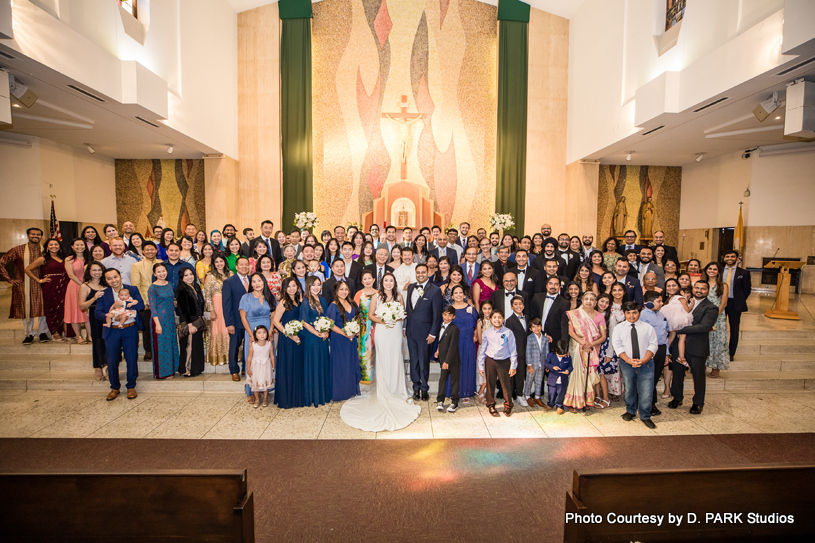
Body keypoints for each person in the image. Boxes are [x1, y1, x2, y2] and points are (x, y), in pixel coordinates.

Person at [340, 272, 422, 432]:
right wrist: (385, 319)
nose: (389, 283)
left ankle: (398, 389)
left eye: (391, 280)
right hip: (383, 332)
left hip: (396, 332)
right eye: (386, 281)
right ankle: (385, 390)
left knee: (396, 359)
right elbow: (371, 315)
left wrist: (395, 317)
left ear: (394, 282)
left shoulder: (399, 296)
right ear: (382, 283)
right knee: (384, 359)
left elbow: (402, 315)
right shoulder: (377, 297)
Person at [668, 281, 718, 414]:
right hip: (678, 345)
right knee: (677, 374)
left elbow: (704, 327)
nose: (699, 290)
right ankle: (677, 398)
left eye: (703, 289)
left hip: (697, 346)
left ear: (708, 291)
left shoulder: (711, 307)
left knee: (698, 376)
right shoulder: (682, 301)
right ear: (693, 288)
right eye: (697, 288)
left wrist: (681, 329)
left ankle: (698, 402)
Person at [96, 268, 144, 400]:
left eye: (115, 277)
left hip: (130, 328)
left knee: (131, 358)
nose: (113, 280)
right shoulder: (103, 294)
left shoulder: (132, 289)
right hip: (112, 331)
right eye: (109, 278)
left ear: (120, 276)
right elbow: (98, 313)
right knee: (112, 360)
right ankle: (114, 387)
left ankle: (131, 386)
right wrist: (112, 317)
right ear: (106, 280)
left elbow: (140, 305)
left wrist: (125, 304)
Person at [611, 302, 659, 429]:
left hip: (646, 363)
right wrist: (628, 360)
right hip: (627, 363)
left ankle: (645, 415)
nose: (631, 316)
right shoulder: (619, 328)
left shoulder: (648, 328)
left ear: (639, 312)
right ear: (624, 313)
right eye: (628, 313)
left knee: (646, 390)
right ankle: (630, 411)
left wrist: (643, 360)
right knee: (630, 388)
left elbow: (653, 345)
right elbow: (617, 345)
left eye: (634, 312)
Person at [0, 227, 48, 344]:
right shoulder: (18, 250)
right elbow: (2, 262)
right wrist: (9, 279)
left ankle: (43, 333)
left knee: (44, 308)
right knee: (26, 309)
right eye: (33, 234)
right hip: (24, 285)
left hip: (43, 283)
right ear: (28, 235)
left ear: (41, 237)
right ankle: (29, 334)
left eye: (38, 235)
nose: (35, 236)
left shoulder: (46, 251)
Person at [563, 291, 606, 412]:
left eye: (592, 299)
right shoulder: (575, 314)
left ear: (595, 302)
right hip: (577, 347)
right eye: (586, 299)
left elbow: (603, 336)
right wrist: (583, 343)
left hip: (591, 348)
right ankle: (573, 402)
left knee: (588, 374)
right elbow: (571, 332)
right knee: (576, 374)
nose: (589, 301)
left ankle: (585, 401)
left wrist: (590, 344)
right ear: (582, 301)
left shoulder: (599, 316)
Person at [405, 264, 443, 400]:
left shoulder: (435, 290)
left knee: (424, 361)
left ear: (428, 273)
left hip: (426, 333)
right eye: (418, 272)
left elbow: (437, 314)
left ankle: (424, 387)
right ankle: (416, 387)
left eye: (423, 272)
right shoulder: (410, 287)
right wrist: (405, 327)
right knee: (413, 360)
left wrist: (433, 333)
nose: (420, 274)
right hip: (410, 331)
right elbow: (408, 309)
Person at [240, 273, 276, 404]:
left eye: (259, 280)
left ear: (264, 282)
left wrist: (271, 330)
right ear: (251, 284)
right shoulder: (246, 297)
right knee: (253, 361)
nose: (257, 283)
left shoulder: (270, 297)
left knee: (266, 360)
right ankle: (250, 390)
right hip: (252, 331)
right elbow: (243, 317)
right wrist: (250, 334)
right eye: (254, 281)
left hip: (267, 333)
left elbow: (273, 316)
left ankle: (265, 388)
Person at [26, 238, 69, 341]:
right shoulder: (43, 259)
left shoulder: (64, 258)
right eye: (51, 244)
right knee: (52, 309)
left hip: (64, 286)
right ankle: (55, 333)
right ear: (47, 247)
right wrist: (39, 280)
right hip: (50, 287)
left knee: (63, 309)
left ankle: (63, 331)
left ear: (59, 246)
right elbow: (27, 269)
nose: (54, 246)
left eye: (56, 244)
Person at [272, 277, 306, 408]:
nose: (292, 288)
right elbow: (276, 321)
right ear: (285, 289)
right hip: (287, 339)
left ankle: (297, 397)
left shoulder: (298, 300)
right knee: (289, 365)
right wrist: (288, 333)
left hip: (299, 337)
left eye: (294, 285)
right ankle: (287, 398)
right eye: (289, 286)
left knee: (297, 365)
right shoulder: (284, 302)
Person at [478, 310, 518, 417]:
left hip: (504, 361)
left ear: (503, 319)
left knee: (506, 384)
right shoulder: (487, 332)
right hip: (490, 360)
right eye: (494, 317)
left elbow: (513, 350)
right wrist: (480, 365)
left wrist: (513, 365)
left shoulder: (508, 332)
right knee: (490, 384)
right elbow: (483, 349)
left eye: (499, 317)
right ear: (491, 319)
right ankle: (491, 404)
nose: (497, 320)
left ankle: (508, 405)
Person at [327, 281, 361, 402]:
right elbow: (330, 324)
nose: (344, 292)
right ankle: (340, 392)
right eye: (341, 289)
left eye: (346, 289)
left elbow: (357, 318)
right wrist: (344, 333)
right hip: (339, 339)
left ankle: (350, 390)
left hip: (351, 339)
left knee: (350, 363)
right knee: (340, 365)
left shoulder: (352, 303)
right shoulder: (333, 305)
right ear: (336, 291)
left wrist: (356, 330)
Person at [301, 276, 331, 407]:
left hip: (323, 339)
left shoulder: (323, 301)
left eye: (318, 285)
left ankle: (323, 394)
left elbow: (328, 319)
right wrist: (317, 333)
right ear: (308, 286)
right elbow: (304, 322)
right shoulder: (306, 301)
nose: (316, 287)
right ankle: (313, 396)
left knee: (322, 364)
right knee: (313, 365)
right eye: (314, 285)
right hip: (312, 338)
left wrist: (327, 331)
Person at [660, 280, 694, 396]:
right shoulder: (669, 299)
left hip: (675, 321)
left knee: (676, 337)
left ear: (679, 287)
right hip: (675, 322)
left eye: (674, 285)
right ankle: (675, 356)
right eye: (668, 286)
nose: (671, 287)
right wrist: (692, 303)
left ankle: (677, 355)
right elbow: (687, 309)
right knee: (676, 338)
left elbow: (684, 310)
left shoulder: (676, 299)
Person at [639, 290, 670, 416]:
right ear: (650, 303)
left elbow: (665, 334)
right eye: (659, 301)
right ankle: (648, 404)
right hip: (649, 350)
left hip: (661, 348)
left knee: (656, 377)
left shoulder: (661, 315)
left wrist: (667, 353)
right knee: (648, 378)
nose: (661, 303)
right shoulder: (642, 316)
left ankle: (651, 402)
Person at [445, 284, 478, 402]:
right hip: (454, 341)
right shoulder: (449, 309)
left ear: (464, 295)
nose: (458, 295)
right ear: (452, 296)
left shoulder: (471, 308)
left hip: (468, 341)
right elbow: (445, 326)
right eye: (456, 293)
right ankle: (452, 391)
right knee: (454, 366)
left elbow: (477, 323)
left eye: (460, 292)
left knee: (467, 364)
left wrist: (476, 335)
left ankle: (466, 392)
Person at [130, 240, 160, 361]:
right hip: (146, 301)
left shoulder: (161, 263)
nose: (150, 251)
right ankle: (148, 350)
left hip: (161, 300)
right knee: (148, 327)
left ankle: (160, 349)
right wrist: (144, 302)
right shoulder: (137, 265)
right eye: (147, 249)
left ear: (156, 251)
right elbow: (136, 285)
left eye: (152, 249)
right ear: (143, 251)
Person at [147, 263, 178, 379]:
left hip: (169, 319)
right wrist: (157, 324)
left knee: (170, 344)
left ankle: (171, 370)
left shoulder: (169, 284)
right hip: (159, 319)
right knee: (161, 346)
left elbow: (171, 300)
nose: (162, 274)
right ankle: (162, 373)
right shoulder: (153, 288)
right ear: (155, 274)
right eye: (159, 272)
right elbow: (153, 307)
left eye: (163, 271)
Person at [223, 257, 251, 382]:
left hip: (251, 321)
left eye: (246, 264)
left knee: (249, 345)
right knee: (235, 346)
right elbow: (227, 304)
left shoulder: (253, 280)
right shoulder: (229, 282)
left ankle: (246, 367)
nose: (244, 267)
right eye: (241, 265)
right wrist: (229, 323)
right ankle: (234, 370)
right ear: (237, 266)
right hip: (236, 320)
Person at [79, 262, 107, 380]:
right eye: (94, 270)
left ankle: (108, 366)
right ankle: (98, 367)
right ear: (89, 272)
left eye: (99, 270)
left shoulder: (107, 284)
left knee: (108, 342)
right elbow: (81, 306)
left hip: (107, 315)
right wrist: (94, 298)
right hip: (95, 316)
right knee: (97, 341)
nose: (97, 273)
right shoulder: (85, 286)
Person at [722, 250, 752, 361]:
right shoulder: (719, 271)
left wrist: (740, 300)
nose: (730, 258)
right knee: (719, 328)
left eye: (732, 256)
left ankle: (731, 353)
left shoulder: (744, 273)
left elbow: (747, 290)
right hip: (720, 303)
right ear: (724, 258)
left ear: (737, 258)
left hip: (735, 303)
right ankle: (719, 350)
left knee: (734, 329)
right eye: (727, 256)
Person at [176, 267, 205, 377]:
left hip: (197, 320)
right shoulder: (181, 290)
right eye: (186, 275)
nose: (189, 277)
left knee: (195, 345)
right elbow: (183, 309)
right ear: (182, 278)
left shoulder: (196, 287)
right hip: (188, 321)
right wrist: (189, 325)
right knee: (189, 345)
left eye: (191, 274)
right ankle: (185, 368)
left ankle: (195, 368)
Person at [203, 255, 232, 366]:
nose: (219, 263)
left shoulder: (230, 274)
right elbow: (207, 295)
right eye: (216, 261)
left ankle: (230, 355)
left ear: (225, 261)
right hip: (216, 305)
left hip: (229, 304)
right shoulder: (210, 276)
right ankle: (218, 357)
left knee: (228, 328)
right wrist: (211, 310)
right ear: (213, 264)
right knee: (217, 329)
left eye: (221, 261)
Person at [702, 262, 729, 377]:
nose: (712, 271)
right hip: (702, 316)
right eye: (710, 268)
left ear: (718, 271)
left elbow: (723, 304)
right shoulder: (702, 284)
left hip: (717, 317)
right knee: (704, 341)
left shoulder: (723, 285)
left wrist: (713, 316)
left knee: (717, 342)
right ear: (706, 270)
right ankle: (702, 365)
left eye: (715, 269)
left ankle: (716, 367)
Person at [435, 306, 461, 413]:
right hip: (443, 358)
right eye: (445, 314)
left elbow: (452, 346)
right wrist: (437, 351)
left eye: (450, 315)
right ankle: (440, 400)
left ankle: (454, 402)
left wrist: (447, 362)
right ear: (442, 315)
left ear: (453, 317)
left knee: (454, 381)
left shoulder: (455, 329)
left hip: (452, 360)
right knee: (442, 379)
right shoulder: (441, 326)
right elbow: (441, 342)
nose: (447, 317)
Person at [63, 238, 90, 343]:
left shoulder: (88, 258)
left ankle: (89, 335)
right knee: (74, 311)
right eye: (77, 245)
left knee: (87, 312)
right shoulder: (69, 259)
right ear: (72, 247)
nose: (80, 247)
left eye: (82, 245)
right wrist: (83, 285)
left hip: (88, 286)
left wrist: (87, 286)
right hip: (75, 287)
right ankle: (79, 336)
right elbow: (71, 275)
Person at [504, 295, 529, 405]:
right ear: (511, 307)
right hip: (516, 352)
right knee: (516, 374)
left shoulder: (528, 318)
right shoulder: (509, 321)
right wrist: (512, 355)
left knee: (522, 373)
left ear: (523, 306)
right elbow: (508, 339)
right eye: (515, 304)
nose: (518, 306)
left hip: (526, 351)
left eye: (520, 304)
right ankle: (516, 395)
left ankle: (520, 393)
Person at [530, 276, 570, 345]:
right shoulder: (537, 297)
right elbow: (532, 318)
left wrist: (564, 344)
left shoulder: (565, 303)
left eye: (556, 284)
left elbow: (564, 325)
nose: (553, 286)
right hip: (536, 337)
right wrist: (542, 334)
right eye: (550, 283)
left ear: (560, 287)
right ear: (546, 285)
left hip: (555, 340)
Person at [246, 325, 274, 408]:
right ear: (255, 335)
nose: (262, 335)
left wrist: (273, 366)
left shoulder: (269, 344)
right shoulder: (253, 345)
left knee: (266, 383)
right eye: (259, 333)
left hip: (266, 367)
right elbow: (249, 358)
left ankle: (265, 398)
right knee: (256, 385)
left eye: (264, 332)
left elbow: (272, 356)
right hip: (256, 368)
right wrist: (248, 368)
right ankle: (257, 399)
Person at [524, 317, 549, 408]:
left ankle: (537, 397)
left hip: (541, 364)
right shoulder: (530, 338)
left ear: (541, 327)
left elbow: (547, 352)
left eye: (538, 326)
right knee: (529, 380)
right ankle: (527, 396)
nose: (536, 328)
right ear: (530, 329)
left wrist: (547, 364)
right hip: (532, 364)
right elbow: (528, 351)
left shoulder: (545, 339)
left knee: (539, 381)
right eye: (534, 327)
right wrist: (529, 364)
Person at [544, 340, 572, 414]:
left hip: (562, 380)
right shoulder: (550, 355)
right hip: (552, 379)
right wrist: (552, 367)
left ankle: (559, 406)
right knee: (551, 393)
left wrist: (568, 371)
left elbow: (570, 366)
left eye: (563, 354)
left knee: (561, 393)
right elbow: (546, 363)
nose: (562, 356)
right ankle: (550, 404)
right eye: (559, 354)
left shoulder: (568, 357)